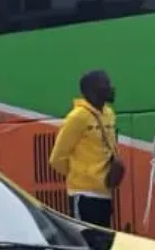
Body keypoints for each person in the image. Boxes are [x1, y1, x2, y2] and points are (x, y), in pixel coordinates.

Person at [49, 70, 122, 227]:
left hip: (105, 193)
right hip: (83, 195)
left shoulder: (109, 114)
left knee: (103, 244)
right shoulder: (77, 117)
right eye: (106, 85)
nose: (111, 88)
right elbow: (56, 159)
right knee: (86, 244)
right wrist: (83, 175)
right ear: (92, 91)